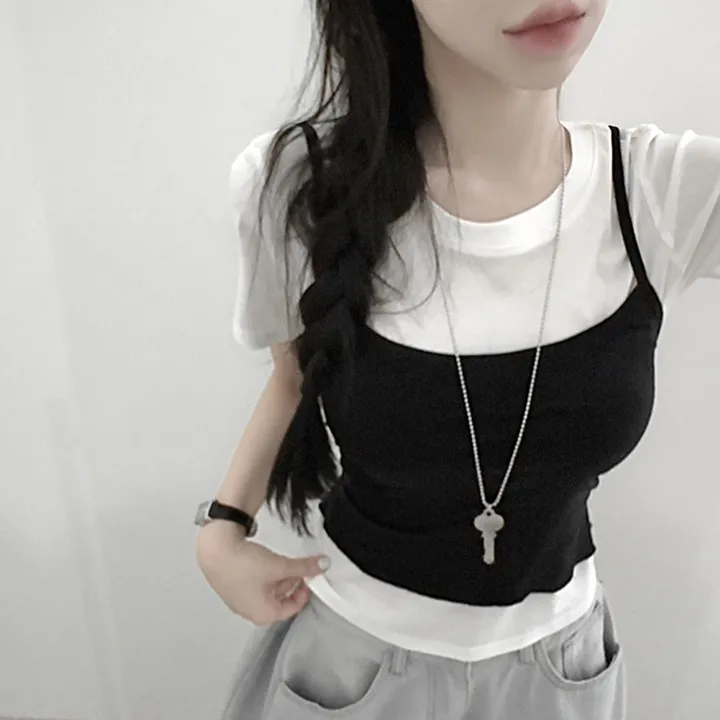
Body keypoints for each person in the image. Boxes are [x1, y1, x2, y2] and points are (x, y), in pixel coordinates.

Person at [196, 0, 720, 718]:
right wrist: (223, 530)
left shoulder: (661, 190)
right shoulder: (298, 182)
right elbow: (294, 375)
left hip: (560, 677)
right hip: (354, 669)